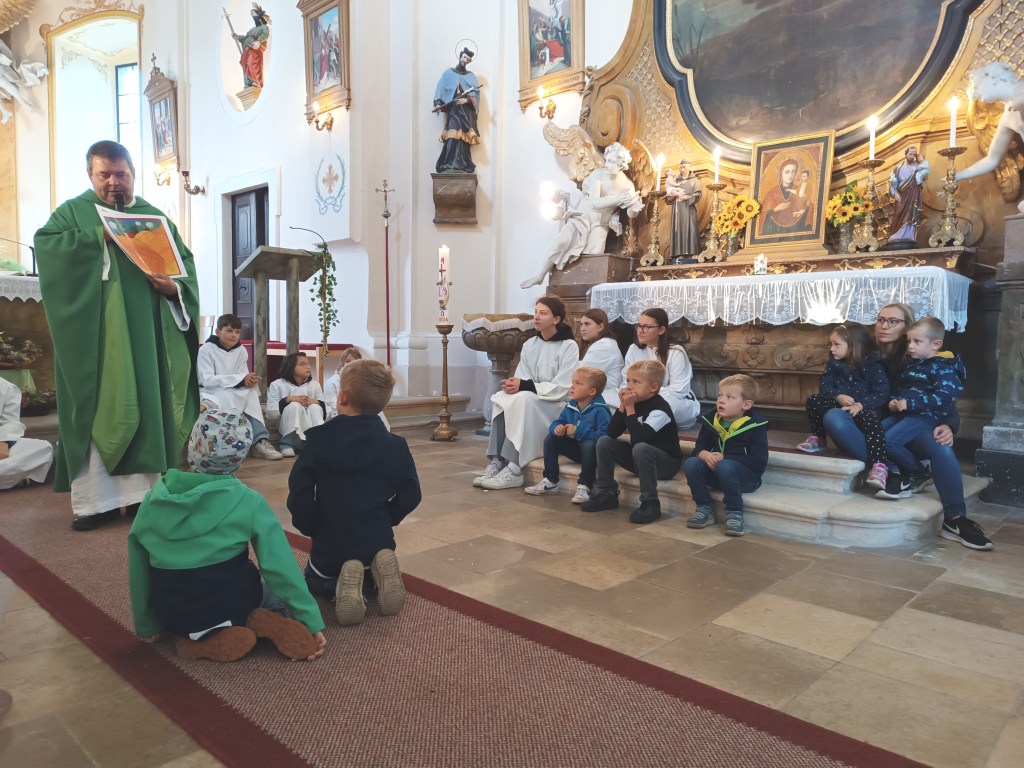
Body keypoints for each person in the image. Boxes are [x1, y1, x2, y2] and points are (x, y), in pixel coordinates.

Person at [34, 140, 200, 531]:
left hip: (147, 337)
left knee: (148, 404)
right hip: (98, 339)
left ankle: (144, 498)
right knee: (100, 407)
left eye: (120, 174)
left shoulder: (153, 218)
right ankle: (98, 504)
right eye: (104, 175)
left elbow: (185, 270)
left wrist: (174, 289)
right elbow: (47, 247)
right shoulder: (72, 213)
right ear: (90, 175)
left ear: (133, 175)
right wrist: (99, 238)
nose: (113, 182)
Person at [128, 410, 326, 663]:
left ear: (191, 446)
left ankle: (193, 639)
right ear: (240, 459)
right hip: (234, 604)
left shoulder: (153, 499)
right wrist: (310, 618)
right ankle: (263, 619)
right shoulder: (248, 501)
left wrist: (146, 624)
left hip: (174, 612)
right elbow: (280, 567)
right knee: (271, 589)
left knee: (178, 586)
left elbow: (138, 568)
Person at [822, 303, 992, 550]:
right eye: (881, 319)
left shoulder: (919, 354)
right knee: (833, 417)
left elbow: (944, 395)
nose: (884, 325)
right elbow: (831, 384)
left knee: (940, 447)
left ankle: (956, 520)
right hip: (867, 423)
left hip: (909, 424)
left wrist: (948, 425)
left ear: (906, 327)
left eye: (893, 321)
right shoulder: (858, 348)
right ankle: (893, 470)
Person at [288, 359, 421, 626]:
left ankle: (337, 585)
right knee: (369, 560)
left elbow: (300, 491)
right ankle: (376, 576)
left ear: (343, 397)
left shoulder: (319, 440)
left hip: (332, 540)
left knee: (312, 578)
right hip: (377, 537)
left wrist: (311, 525)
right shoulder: (395, 445)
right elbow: (411, 493)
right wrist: (388, 517)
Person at [474, 296, 578, 491]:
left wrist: (525, 386)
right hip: (532, 398)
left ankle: (514, 469)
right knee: (502, 398)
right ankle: (496, 461)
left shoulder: (568, 346)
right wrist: (513, 385)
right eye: (536, 312)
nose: (536, 317)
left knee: (523, 400)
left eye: (543, 313)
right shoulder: (530, 343)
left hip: (555, 403)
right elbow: (523, 377)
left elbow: (563, 386)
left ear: (556, 319)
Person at [520, 142, 644, 289]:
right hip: (582, 216)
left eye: (612, 162)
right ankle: (540, 276)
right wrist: (618, 199)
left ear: (621, 165)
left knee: (594, 256)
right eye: (607, 160)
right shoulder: (598, 174)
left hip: (600, 224)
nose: (607, 164)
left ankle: (585, 291)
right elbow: (595, 202)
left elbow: (630, 213)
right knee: (561, 242)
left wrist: (635, 209)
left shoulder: (627, 185)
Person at [582, 359, 683, 524]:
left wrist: (630, 408)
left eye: (636, 382)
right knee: (604, 442)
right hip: (640, 459)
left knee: (641, 448)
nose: (629, 386)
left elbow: (639, 439)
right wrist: (623, 406)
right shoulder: (633, 403)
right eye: (628, 381)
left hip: (665, 464)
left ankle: (650, 502)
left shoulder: (661, 409)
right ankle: (607, 493)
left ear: (653, 387)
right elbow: (612, 432)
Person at [877, 317, 965, 500]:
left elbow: (945, 397)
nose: (910, 346)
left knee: (889, 442)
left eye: (917, 342)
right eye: (909, 341)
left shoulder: (944, 368)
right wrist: (894, 401)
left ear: (936, 344)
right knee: (876, 433)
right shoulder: (913, 364)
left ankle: (918, 471)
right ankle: (890, 470)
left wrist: (910, 404)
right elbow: (903, 388)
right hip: (904, 414)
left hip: (924, 417)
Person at [797, 324, 890, 489]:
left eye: (836, 344)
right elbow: (825, 385)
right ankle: (818, 438)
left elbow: (882, 393)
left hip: (863, 408)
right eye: (831, 344)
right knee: (814, 400)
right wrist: (838, 396)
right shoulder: (834, 363)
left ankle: (879, 465)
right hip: (840, 404)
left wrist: (861, 405)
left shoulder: (873, 365)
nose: (832, 349)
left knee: (872, 421)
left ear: (853, 345)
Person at [684, 374, 768, 536]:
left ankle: (735, 513)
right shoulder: (711, 420)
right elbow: (699, 447)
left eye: (730, 397)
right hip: (718, 474)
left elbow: (759, 462)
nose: (721, 400)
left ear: (746, 404)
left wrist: (726, 458)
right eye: (720, 395)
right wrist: (703, 453)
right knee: (692, 463)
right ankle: (704, 507)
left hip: (746, 478)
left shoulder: (756, 426)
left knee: (726, 466)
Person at [197, 313, 282, 460]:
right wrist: (240, 379)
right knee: (226, 395)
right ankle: (228, 442)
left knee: (251, 393)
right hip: (211, 390)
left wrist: (248, 380)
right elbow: (207, 380)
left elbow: (242, 375)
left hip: (232, 388)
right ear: (218, 332)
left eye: (237, 332)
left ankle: (260, 441)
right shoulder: (206, 349)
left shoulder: (241, 350)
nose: (234, 335)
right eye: (229, 331)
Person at [526, 366, 612, 505]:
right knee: (551, 438)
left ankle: (585, 486)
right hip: (577, 450)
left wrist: (578, 431)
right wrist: (556, 428)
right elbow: (558, 421)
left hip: (594, 455)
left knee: (589, 444)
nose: (572, 386)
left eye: (578, 383)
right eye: (572, 382)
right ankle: (550, 481)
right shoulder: (571, 405)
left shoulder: (601, 410)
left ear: (592, 391)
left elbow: (605, 437)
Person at [956, 62, 1024, 214]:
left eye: (977, 85)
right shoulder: (1007, 116)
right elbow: (992, 159)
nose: (975, 93)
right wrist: (959, 175)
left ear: (993, 77)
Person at [623, 307, 700, 428]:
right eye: (639, 326)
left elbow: (679, 390)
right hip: (640, 398)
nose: (640, 331)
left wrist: (646, 394)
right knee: (612, 401)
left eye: (646, 327)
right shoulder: (634, 349)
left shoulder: (675, 352)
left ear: (661, 330)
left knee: (665, 407)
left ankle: (644, 424)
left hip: (674, 401)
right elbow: (625, 382)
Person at [266, 352, 326, 458]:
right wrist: (288, 399)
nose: (308, 367)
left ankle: (316, 442)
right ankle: (287, 444)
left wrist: (314, 402)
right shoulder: (277, 384)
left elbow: (325, 410)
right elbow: (271, 413)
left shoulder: (314, 385)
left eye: (308, 364)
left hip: (309, 427)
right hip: (286, 426)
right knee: (294, 405)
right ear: (291, 367)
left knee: (315, 407)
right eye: (303, 364)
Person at [433, 47, 481, 174]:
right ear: (460, 56)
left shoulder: (471, 76)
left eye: (468, 60)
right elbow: (441, 87)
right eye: (464, 57)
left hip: (465, 112)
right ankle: (449, 163)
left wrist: (467, 100)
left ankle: (462, 163)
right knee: (452, 136)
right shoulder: (449, 73)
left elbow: (476, 94)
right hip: (454, 110)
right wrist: (438, 102)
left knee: (463, 139)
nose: (465, 61)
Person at [0, 378, 53, 489]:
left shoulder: (7, 388)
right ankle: (14, 479)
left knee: (43, 448)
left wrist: (4, 442)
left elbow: (10, 422)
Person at [578, 308, 624, 407]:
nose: (582, 328)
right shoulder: (599, 343)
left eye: (587, 324)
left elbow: (582, 374)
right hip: (596, 394)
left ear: (600, 327)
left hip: (605, 399)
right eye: (581, 324)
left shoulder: (603, 346)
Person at [885, 145, 930, 246]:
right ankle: (896, 234)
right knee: (898, 214)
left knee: (911, 214)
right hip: (901, 195)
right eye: (910, 154)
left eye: (914, 155)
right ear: (905, 154)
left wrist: (923, 178)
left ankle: (909, 235)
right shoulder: (897, 169)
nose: (912, 157)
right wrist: (894, 193)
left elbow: (922, 181)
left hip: (913, 194)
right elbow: (893, 183)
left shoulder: (918, 167)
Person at [758, 157, 815, 236]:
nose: (790, 175)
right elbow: (763, 213)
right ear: (781, 173)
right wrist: (776, 209)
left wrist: (806, 207)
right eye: (787, 172)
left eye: (793, 172)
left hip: (796, 229)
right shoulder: (773, 192)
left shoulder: (798, 190)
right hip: (774, 230)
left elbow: (808, 205)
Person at [665, 160, 702, 261]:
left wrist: (688, 198)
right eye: (680, 167)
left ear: (689, 167)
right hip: (677, 209)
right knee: (678, 229)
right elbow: (668, 195)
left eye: (684, 167)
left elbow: (698, 194)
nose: (682, 169)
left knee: (691, 228)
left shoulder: (695, 180)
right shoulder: (675, 180)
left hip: (688, 208)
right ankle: (678, 253)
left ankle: (693, 252)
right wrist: (670, 197)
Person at [232, 4, 271, 89]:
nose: (253, 17)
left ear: (259, 16)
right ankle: (248, 83)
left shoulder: (264, 27)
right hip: (247, 49)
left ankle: (255, 81)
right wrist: (237, 37)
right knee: (246, 65)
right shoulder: (251, 30)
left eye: (253, 14)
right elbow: (245, 38)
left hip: (254, 48)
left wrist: (258, 41)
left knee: (251, 63)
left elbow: (265, 35)